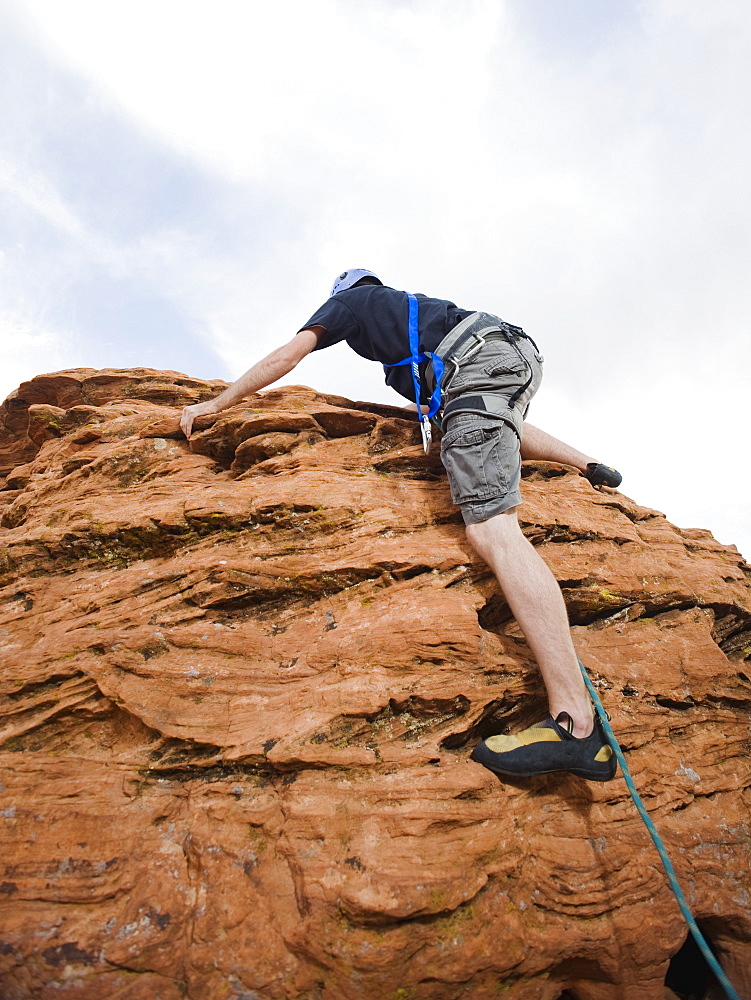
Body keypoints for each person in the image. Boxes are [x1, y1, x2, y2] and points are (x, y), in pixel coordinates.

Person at [180, 269, 621, 782]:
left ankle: (575, 725)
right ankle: (590, 463)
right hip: (508, 356)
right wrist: (582, 462)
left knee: (492, 529)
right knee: (475, 416)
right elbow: (489, 413)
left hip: (480, 361)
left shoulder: (355, 302)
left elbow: (290, 354)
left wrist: (216, 402)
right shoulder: (414, 329)